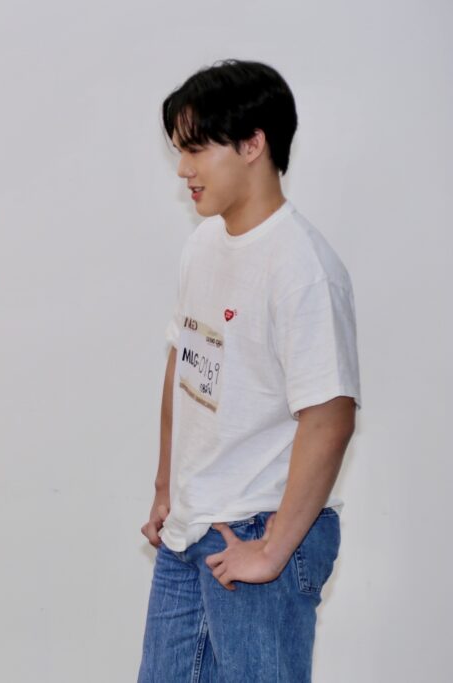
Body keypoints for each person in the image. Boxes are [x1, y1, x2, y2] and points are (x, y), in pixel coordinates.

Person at [138, 60, 360, 682]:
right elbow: (184, 365)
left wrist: (274, 548)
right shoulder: (204, 244)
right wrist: (165, 487)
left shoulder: (302, 268)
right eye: (179, 151)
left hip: (258, 529)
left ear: (253, 144)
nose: (183, 170)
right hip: (191, 528)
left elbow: (330, 417)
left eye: (196, 149)